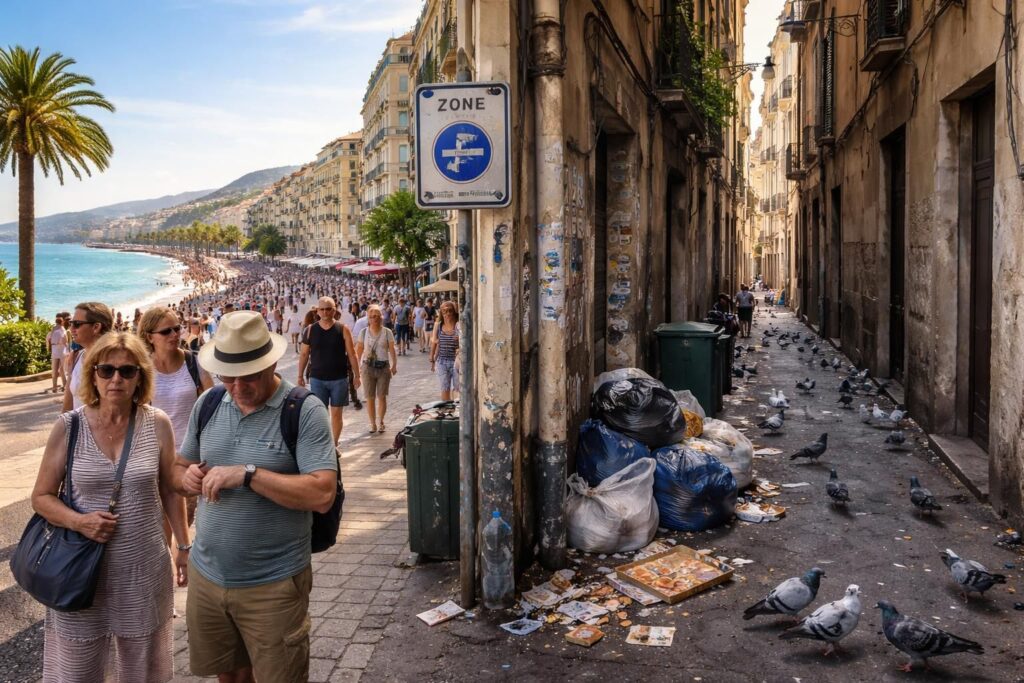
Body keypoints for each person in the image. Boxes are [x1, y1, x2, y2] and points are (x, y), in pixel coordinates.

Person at [174, 310, 337, 683]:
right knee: (229, 676)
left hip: (274, 584)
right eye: (227, 376)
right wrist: (189, 479)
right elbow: (177, 468)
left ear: (272, 363)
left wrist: (248, 475)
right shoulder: (210, 403)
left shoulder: (304, 410)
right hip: (208, 576)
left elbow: (322, 492)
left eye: (248, 377)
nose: (236, 387)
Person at [31, 332, 189, 683]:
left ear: (140, 377)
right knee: (78, 671)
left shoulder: (157, 423)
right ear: (92, 375)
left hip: (143, 570)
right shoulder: (69, 427)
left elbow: (169, 490)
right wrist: (79, 521)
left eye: (127, 371)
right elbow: (41, 497)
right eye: (106, 370)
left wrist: (184, 545)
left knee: (141, 670)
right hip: (79, 571)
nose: (116, 379)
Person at [139, 306, 213, 530]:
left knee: (183, 521)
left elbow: (213, 405)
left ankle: (179, 559)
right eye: (166, 331)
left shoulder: (194, 363)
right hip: (155, 459)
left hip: (189, 458)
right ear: (150, 336)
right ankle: (168, 564)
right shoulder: (142, 370)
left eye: (176, 328)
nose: (174, 335)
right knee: (160, 525)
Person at [297, 297, 360, 446]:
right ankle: (324, 443)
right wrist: (300, 375)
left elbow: (352, 353)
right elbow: (304, 354)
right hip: (317, 378)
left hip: (339, 378)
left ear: (334, 310)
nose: (325, 312)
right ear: (317, 311)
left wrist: (358, 375)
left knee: (337, 414)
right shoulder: (310, 330)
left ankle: (334, 444)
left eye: (328, 309)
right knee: (320, 414)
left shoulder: (342, 329)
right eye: (322, 309)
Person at [354, 305, 397, 435]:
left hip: (383, 367)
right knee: (370, 397)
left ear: (381, 317)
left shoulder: (387, 332)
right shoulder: (363, 332)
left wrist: (394, 365)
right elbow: (359, 350)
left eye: (377, 316)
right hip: (367, 367)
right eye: (372, 317)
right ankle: (372, 423)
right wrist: (357, 368)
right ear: (368, 318)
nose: (375, 319)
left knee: (382, 396)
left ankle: (381, 421)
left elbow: (392, 349)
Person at [63, 302, 114, 412]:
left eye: (76, 324)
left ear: (96, 327)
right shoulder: (76, 357)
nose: (71, 329)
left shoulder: (115, 361)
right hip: (79, 428)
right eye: (71, 323)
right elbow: (68, 402)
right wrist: (63, 427)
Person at [430, 301, 460, 401]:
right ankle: (447, 410)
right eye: (444, 311)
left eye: (449, 311)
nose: (447, 314)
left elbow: (466, 342)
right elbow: (434, 342)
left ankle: (457, 412)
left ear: (454, 311)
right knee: (444, 387)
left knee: (457, 388)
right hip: (442, 361)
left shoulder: (459, 326)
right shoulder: (438, 326)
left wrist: (460, 342)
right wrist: (432, 358)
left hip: (456, 362)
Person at [47, 314, 69, 394]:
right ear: (62, 322)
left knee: (54, 369)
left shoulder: (52, 330)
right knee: (62, 369)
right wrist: (68, 349)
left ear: (56, 322)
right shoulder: (63, 330)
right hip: (62, 350)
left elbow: (48, 340)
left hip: (54, 350)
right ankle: (65, 385)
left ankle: (54, 387)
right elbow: (65, 341)